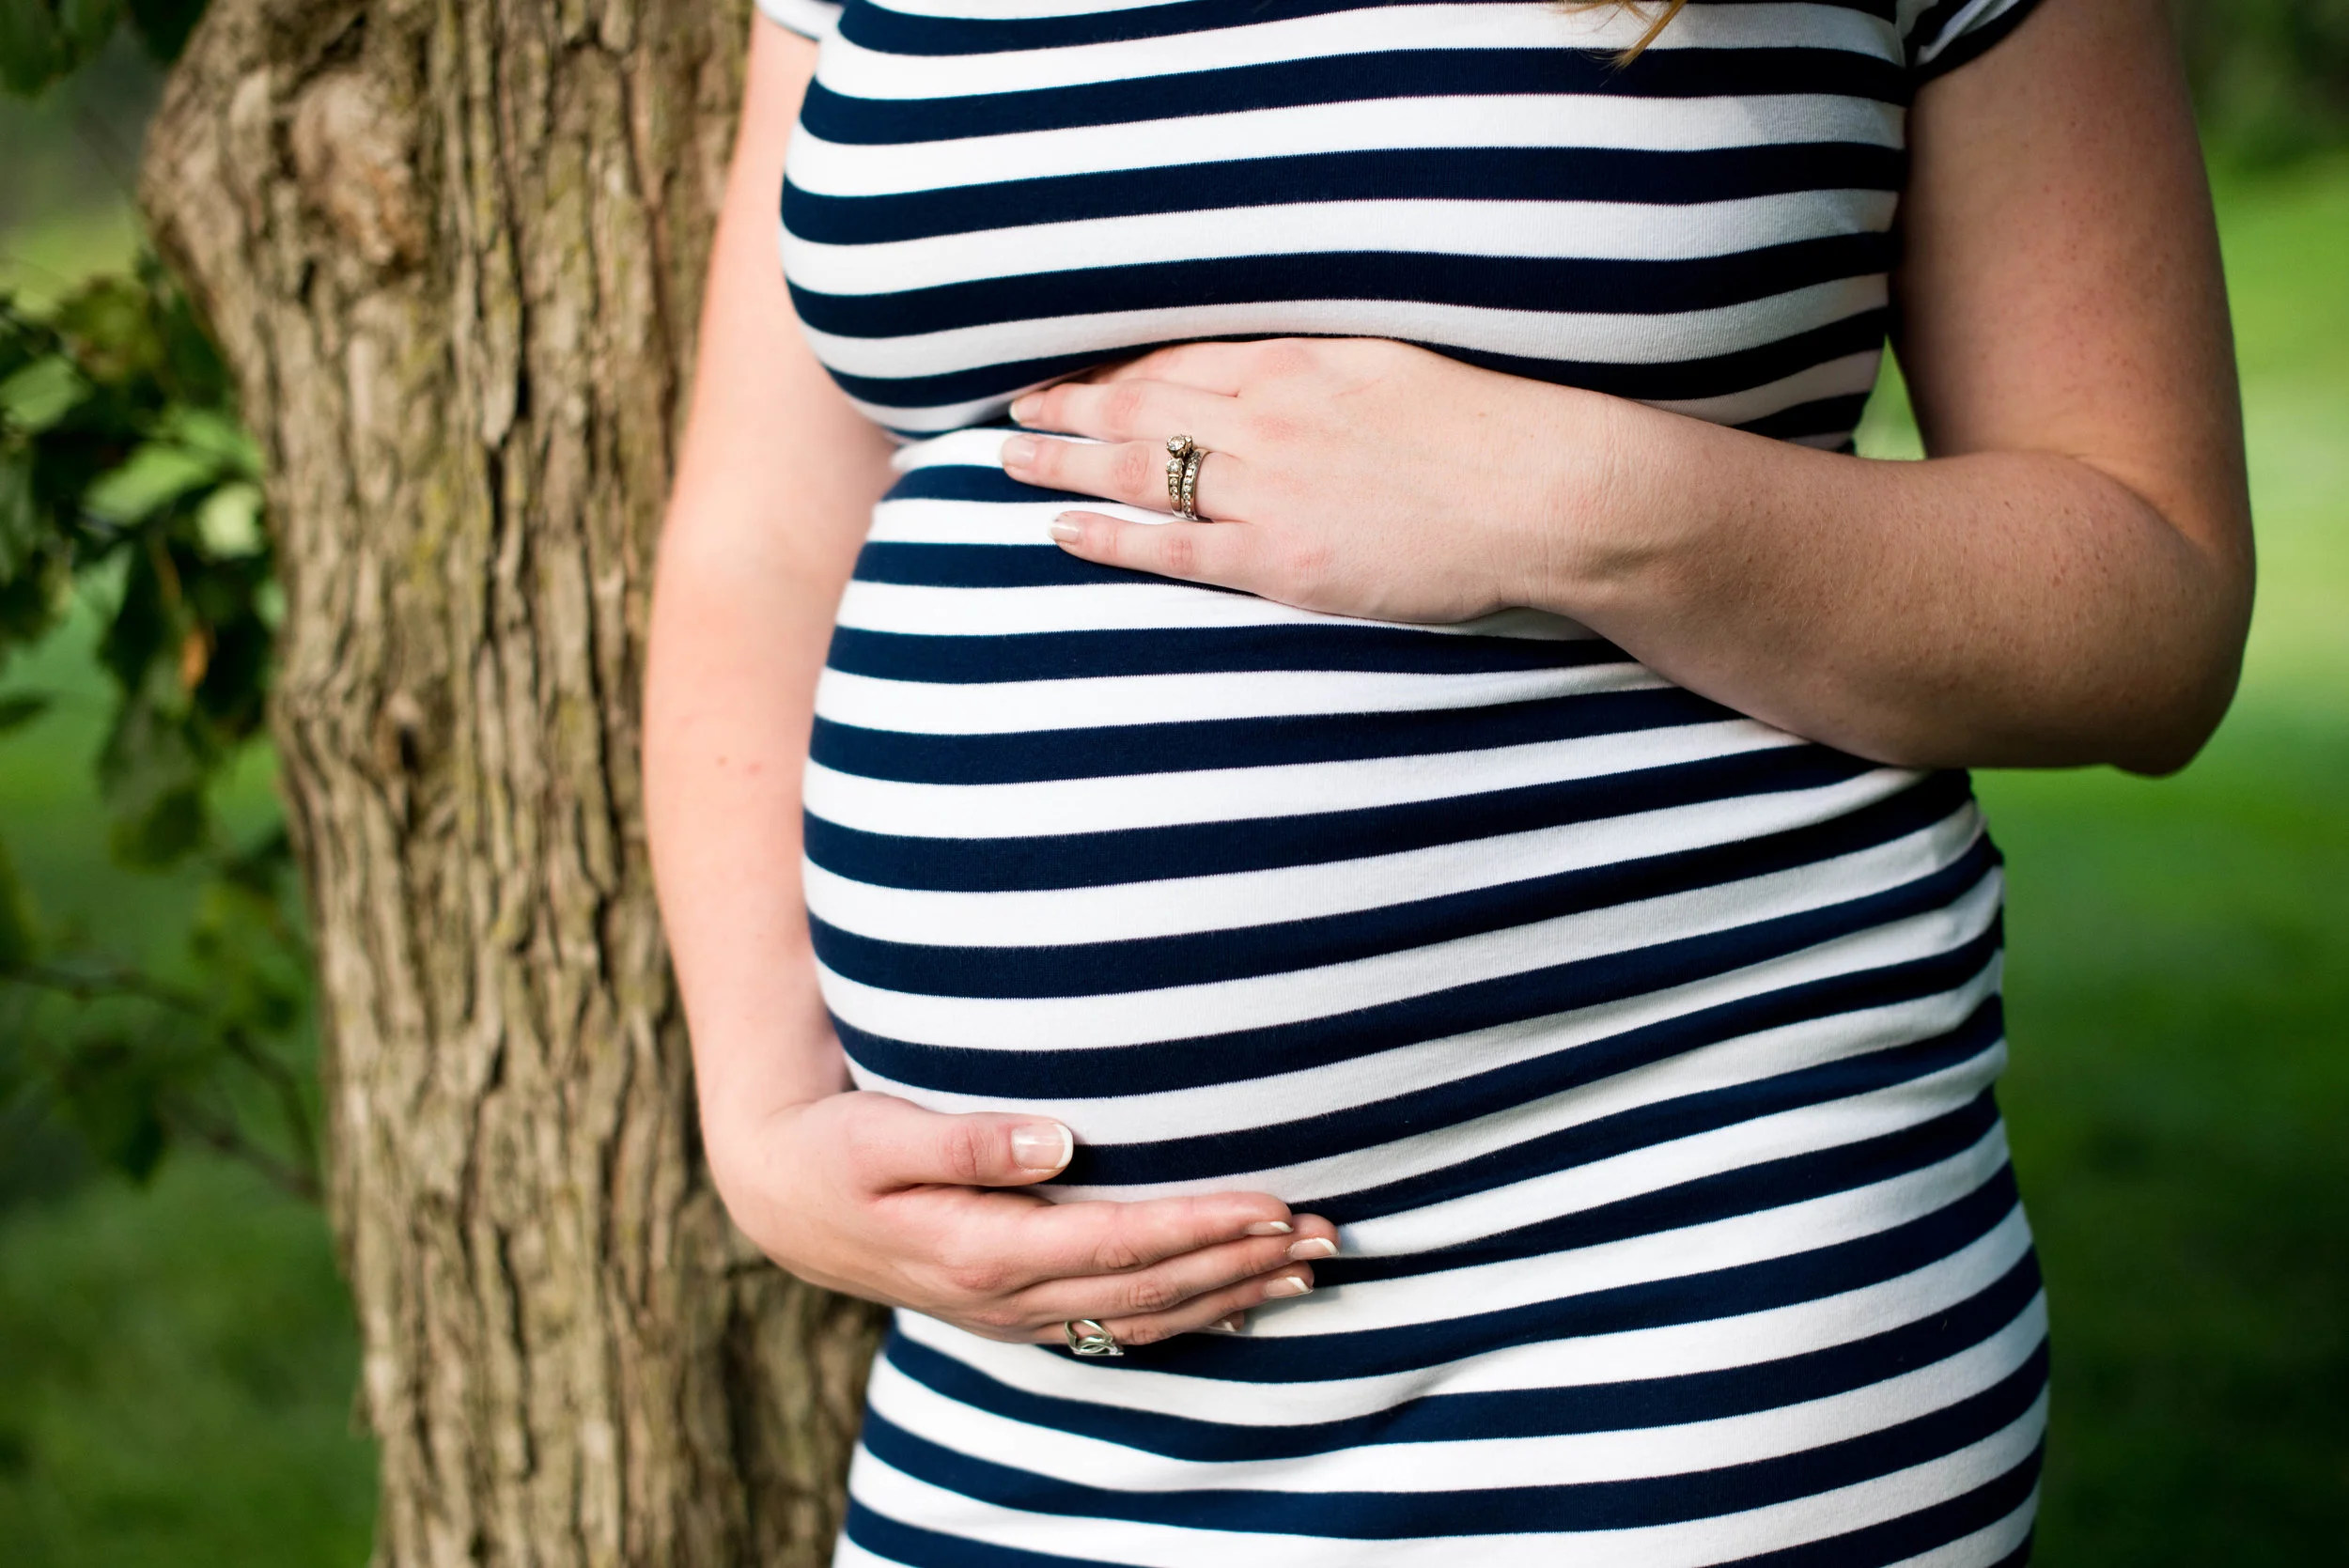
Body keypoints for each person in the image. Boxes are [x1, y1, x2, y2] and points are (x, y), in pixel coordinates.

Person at [645, 0, 2251, 1561]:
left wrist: (1570, 498)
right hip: (1028, 1387)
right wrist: (764, 1116)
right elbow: (764, 534)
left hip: (1675, 1296)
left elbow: (2151, 605)